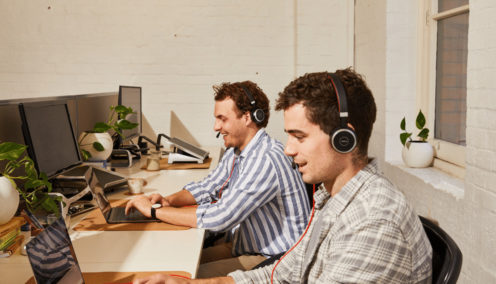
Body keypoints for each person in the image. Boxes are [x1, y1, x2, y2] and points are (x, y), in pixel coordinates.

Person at [132, 68, 433, 284]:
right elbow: (282, 274)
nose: (287, 150)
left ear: (345, 139)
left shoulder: (373, 221)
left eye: (299, 137)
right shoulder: (332, 198)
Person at [125, 81, 311, 277]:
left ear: (247, 117)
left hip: (274, 260)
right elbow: (209, 186)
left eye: (222, 119)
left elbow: (220, 217)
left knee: (183, 276)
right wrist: (168, 200)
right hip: (247, 244)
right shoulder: (238, 151)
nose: (216, 127)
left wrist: (155, 212)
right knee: (169, 261)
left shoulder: (265, 159)